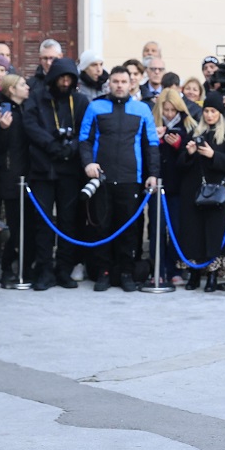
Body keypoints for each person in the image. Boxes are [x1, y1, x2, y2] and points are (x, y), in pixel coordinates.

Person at [79, 66, 160, 293]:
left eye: (124, 81)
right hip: (102, 180)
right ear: (109, 83)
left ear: (131, 83)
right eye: (115, 81)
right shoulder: (95, 107)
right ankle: (103, 272)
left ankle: (126, 272)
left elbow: (151, 144)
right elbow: (84, 140)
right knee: (101, 227)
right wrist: (87, 163)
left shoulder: (142, 109)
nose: (120, 85)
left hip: (130, 179)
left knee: (129, 229)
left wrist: (152, 174)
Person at [24, 56, 90, 290]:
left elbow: (86, 128)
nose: (64, 82)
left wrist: (70, 147)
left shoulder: (80, 101)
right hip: (43, 168)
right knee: (42, 222)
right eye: (61, 77)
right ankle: (43, 270)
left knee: (67, 222)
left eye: (69, 78)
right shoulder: (37, 98)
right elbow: (30, 125)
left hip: (69, 170)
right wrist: (51, 145)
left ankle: (64, 269)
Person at [180, 93, 225, 291]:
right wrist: (189, 154)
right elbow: (181, 165)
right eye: (206, 111)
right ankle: (193, 274)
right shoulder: (194, 132)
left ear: (220, 113)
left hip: (219, 191)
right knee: (193, 233)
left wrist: (213, 155)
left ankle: (213, 275)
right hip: (193, 190)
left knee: (215, 232)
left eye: (213, 111)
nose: (209, 115)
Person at [149, 87, 194, 286]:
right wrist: (156, 141)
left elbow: (191, 158)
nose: (168, 114)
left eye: (172, 110)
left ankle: (174, 268)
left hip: (179, 187)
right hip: (157, 186)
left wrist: (179, 146)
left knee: (176, 229)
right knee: (156, 229)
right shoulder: (151, 124)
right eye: (165, 110)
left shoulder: (188, 126)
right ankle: (157, 269)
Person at [0, 74, 32, 283]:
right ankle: (8, 266)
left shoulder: (27, 110)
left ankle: (25, 266)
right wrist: (3, 130)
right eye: (22, 85)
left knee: (28, 225)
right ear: (11, 90)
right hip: (11, 176)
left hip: (29, 175)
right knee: (15, 226)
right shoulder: (2, 112)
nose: (27, 88)